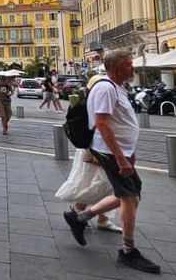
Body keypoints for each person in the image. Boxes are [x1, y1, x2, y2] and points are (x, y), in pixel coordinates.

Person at [63, 49, 160, 274]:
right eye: (128, 64)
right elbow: (103, 124)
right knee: (129, 197)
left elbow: (119, 121)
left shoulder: (117, 87)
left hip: (118, 151)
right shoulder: (106, 88)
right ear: (116, 67)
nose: (132, 68)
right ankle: (127, 251)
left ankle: (80, 218)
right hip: (109, 151)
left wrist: (129, 150)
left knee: (130, 195)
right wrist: (120, 156)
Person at [55, 75, 122, 234]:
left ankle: (97, 217)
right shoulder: (92, 104)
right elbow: (98, 125)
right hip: (96, 149)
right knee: (101, 184)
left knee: (100, 183)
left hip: (96, 148)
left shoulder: (85, 102)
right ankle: (79, 213)